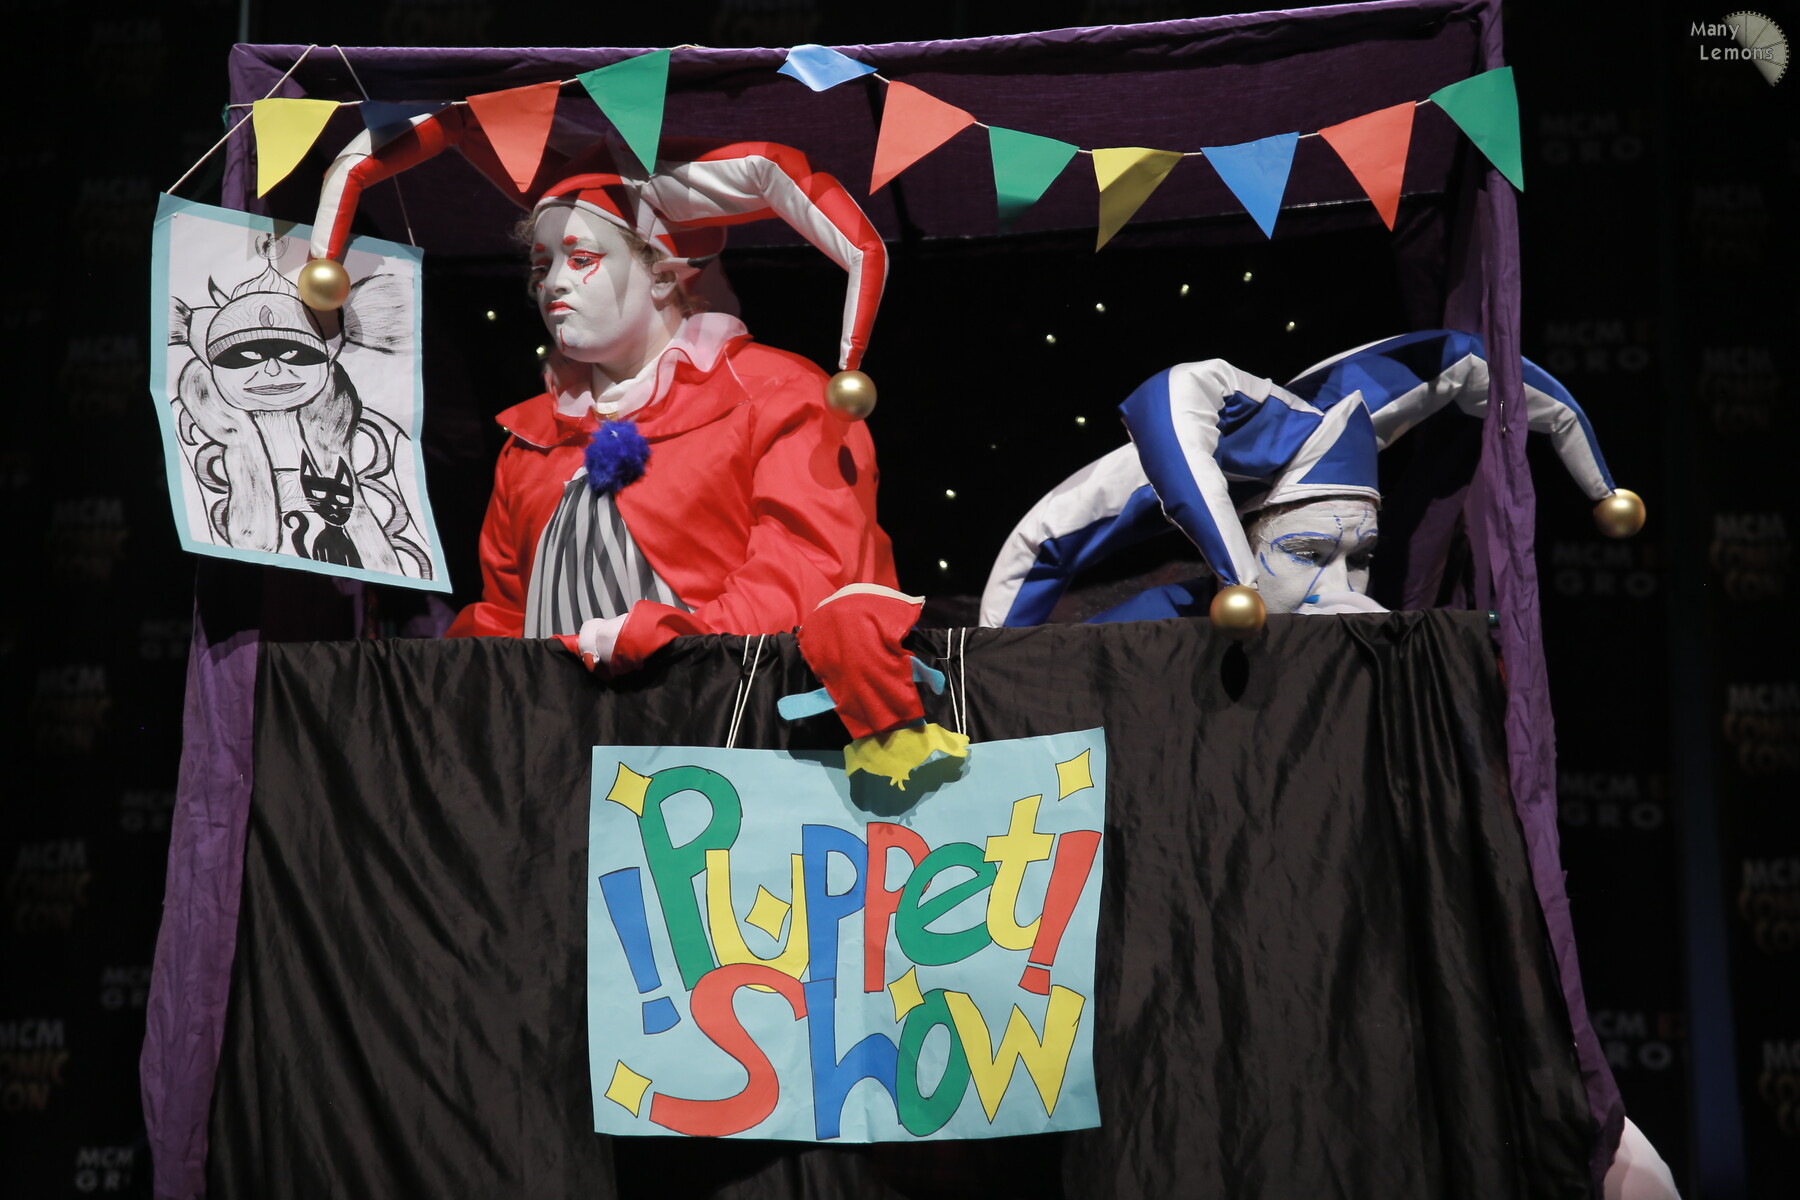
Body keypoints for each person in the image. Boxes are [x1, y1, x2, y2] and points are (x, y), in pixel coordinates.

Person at [306, 113, 896, 670]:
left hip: (722, 721)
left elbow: (807, 572)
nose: (553, 285)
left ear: (661, 274)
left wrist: (660, 650)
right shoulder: (531, 438)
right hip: (553, 728)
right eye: (542, 267)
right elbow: (507, 615)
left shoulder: (779, 396)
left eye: (582, 258)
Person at [980, 330, 1632, 625]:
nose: (1339, 593)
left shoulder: (1349, 416)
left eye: (1360, 558)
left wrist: (1601, 489)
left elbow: (1464, 362)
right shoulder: (1210, 463)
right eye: (1309, 553)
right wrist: (992, 680)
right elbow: (1168, 398)